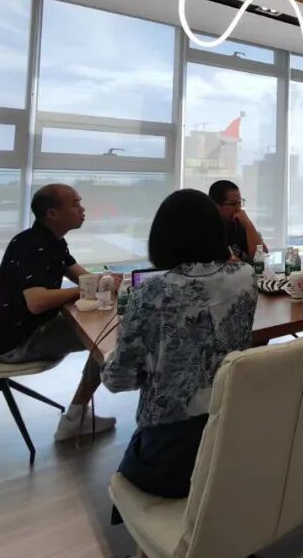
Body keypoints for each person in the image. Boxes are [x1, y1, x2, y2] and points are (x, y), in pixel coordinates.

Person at [102, 189, 256, 498]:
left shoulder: (151, 292)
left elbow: (120, 380)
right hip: (235, 431)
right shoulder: (245, 277)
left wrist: (108, 360)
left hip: (173, 451)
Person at [0, 184, 119, 441]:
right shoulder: (30, 245)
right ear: (52, 213)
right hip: (19, 343)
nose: (82, 210)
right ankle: (75, 418)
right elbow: (36, 302)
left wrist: (109, 281)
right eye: (75, 204)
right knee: (109, 337)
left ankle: (78, 414)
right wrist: (86, 289)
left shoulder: (53, 242)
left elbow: (83, 278)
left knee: (109, 330)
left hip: (32, 331)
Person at [208, 179, 266, 260]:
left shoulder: (239, 223)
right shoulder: (207, 229)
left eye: (239, 202)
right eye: (233, 204)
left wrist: (248, 224)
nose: (239, 208)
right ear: (216, 206)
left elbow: (262, 257)